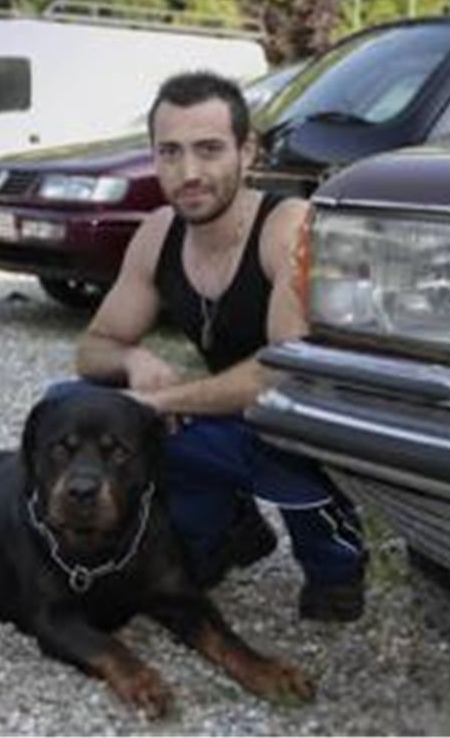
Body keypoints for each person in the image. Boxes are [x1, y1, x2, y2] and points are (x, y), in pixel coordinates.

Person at [72, 71, 366, 622]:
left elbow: (287, 369)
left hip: (305, 421)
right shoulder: (159, 233)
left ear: (246, 150)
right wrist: (133, 359)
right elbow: (92, 349)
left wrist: (165, 402)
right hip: (222, 414)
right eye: (170, 153)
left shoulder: (289, 226)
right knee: (69, 399)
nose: (189, 173)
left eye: (209, 150)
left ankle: (336, 563)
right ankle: (228, 527)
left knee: (285, 440)